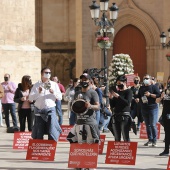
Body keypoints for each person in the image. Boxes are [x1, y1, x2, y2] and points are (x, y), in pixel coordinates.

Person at [28, 67, 62, 141]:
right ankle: (39, 150)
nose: (48, 74)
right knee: (38, 132)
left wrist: (54, 93)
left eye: (49, 73)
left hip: (50, 109)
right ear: (41, 74)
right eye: (46, 73)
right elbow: (30, 98)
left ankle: (50, 150)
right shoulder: (37, 85)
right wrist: (38, 92)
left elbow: (60, 97)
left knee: (52, 131)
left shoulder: (54, 84)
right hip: (39, 110)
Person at [67, 73, 100, 143]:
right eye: (82, 80)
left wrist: (90, 106)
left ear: (90, 81)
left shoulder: (93, 93)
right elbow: (74, 107)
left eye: (86, 80)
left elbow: (98, 106)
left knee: (91, 146)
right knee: (80, 146)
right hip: (79, 123)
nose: (84, 81)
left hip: (90, 123)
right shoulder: (77, 93)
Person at [136, 74, 160, 147]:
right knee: (147, 125)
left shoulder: (154, 87)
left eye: (147, 78)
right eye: (144, 79)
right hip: (144, 108)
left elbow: (158, 95)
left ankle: (154, 140)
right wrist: (137, 98)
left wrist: (150, 95)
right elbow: (138, 96)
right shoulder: (141, 88)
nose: (145, 80)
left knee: (153, 124)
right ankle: (150, 139)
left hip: (153, 108)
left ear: (150, 79)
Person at [108, 75, 132, 141]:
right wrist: (111, 98)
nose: (118, 85)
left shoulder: (128, 91)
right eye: (117, 84)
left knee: (125, 135)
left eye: (120, 83)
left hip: (124, 115)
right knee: (117, 136)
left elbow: (127, 102)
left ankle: (127, 149)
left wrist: (119, 97)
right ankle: (117, 150)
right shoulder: (117, 92)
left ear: (124, 82)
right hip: (116, 115)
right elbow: (113, 105)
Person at [158, 76, 170, 156]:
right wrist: (161, 96)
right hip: (165, 114)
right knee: (167, 133)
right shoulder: (165, 91)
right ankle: (166, 150)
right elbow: (158, 101)